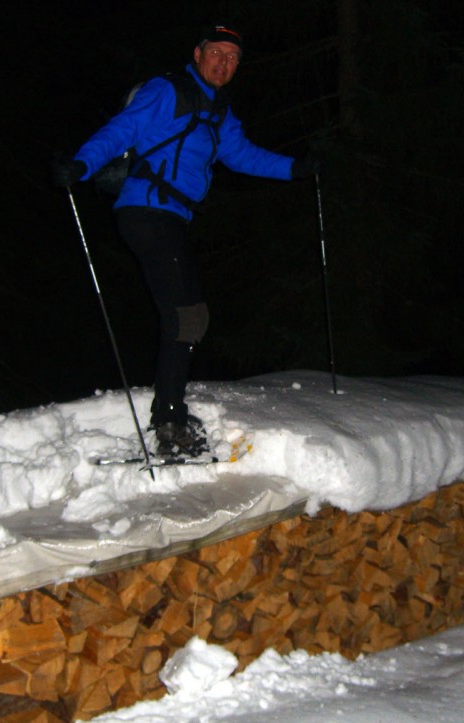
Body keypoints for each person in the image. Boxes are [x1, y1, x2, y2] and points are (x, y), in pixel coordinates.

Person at [54, 23, 320, 456]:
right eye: (216, 52)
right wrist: (82, 165)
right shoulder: (168, 91)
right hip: (146, 211)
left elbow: (242, 154)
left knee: (192, 315)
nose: (224, 62)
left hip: (172, 218)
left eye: (233, 58)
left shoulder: (219, 113)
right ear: (197, 55)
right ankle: (169, 422)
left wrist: (296, 169)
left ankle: (170, 410)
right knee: (184, 316)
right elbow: (124, 129)